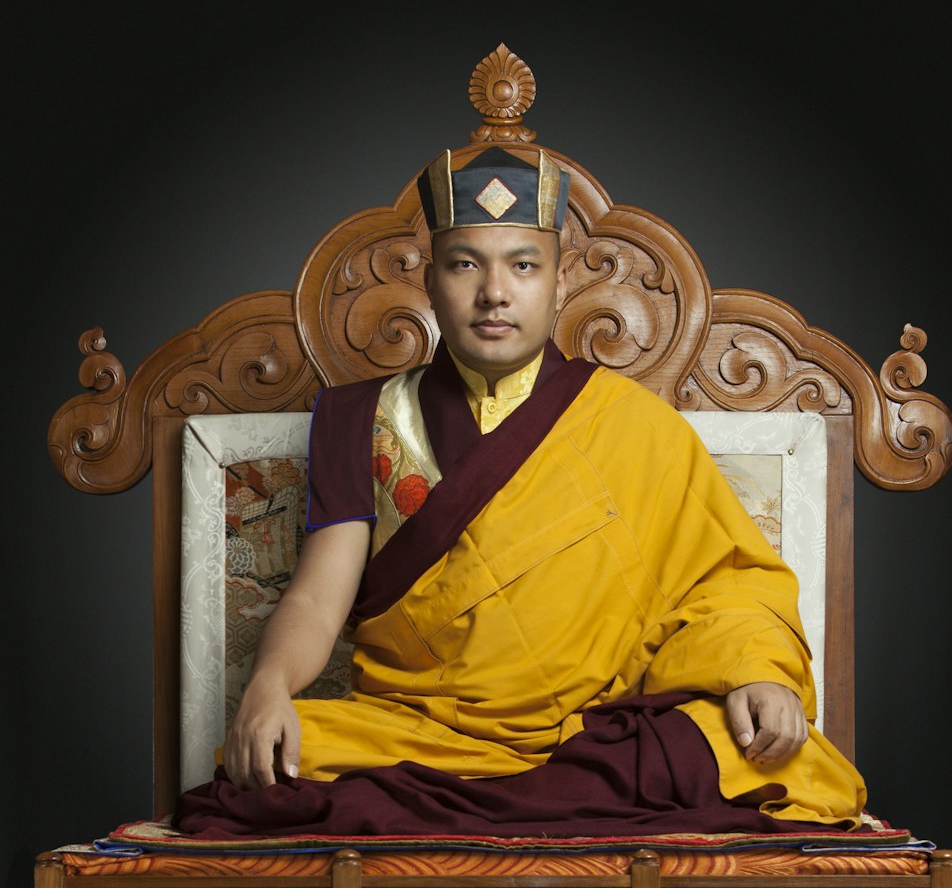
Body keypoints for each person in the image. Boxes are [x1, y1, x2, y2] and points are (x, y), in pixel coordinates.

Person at [174, 147, 866, 839]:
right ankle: (562, 809)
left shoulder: (633, 423)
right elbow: (319, 598)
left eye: (523, 265)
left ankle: (535, 799)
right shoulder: (365, 419)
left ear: (562, 281)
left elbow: (725, 584)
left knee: (775, 759)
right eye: (466, 263)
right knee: (270, 770)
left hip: (595, 735)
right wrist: (267, 686)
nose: (494, 292)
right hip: (417, 736)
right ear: (431, 278)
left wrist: (756, 672)